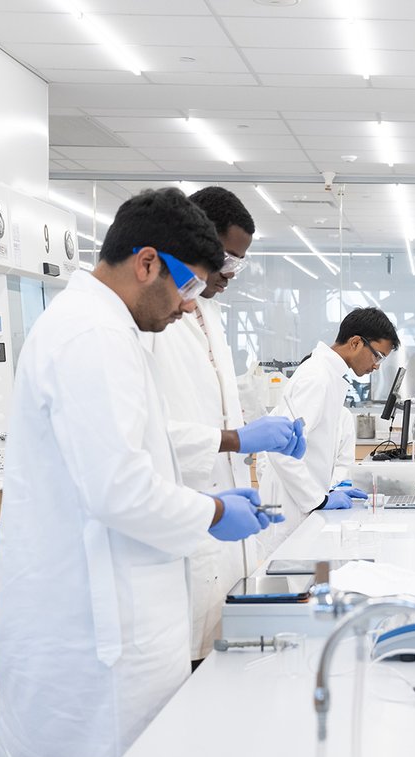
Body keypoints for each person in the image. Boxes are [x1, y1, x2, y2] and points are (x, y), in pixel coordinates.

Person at [0, 188, 280, 757]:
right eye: (188, 287)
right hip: (94, 640)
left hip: (117, 624)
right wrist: (213, 511)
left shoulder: (106, 328)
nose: (187, 306)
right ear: (147, 262)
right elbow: (118, 489)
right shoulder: (92, 336)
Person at [147, 186, 305, 667]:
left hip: (218, 531)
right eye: (229, 259)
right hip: (180, 530)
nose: (232, 274)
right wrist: (235, 439)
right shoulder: (148, 320)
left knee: (222, 664)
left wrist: (245, 434)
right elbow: (150, 436)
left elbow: (210, 407)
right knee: (190, 673)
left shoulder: (206, 314)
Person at [260, 307, 401, 535]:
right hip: (290, 511)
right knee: (288, 569)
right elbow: (281, 448)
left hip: (302, 506)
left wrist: (330, 491)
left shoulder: (330, 376)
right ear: (355, 342)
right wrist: (319, 500)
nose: (377, 366)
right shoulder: (316, 378)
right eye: (378, 355)